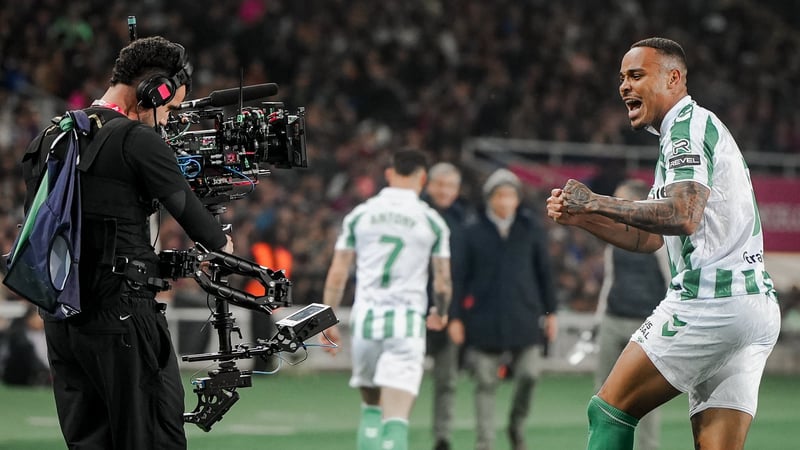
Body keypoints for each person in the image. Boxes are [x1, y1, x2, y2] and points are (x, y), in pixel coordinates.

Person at [546, 37, 780, 450]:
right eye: (622, 77)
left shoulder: (687, 128)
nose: (624, 86)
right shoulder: (689, 131)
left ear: (673, 79)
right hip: (752, 306)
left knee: (608, 410)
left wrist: (597, 200)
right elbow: (650, 237)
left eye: (636, 75)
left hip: (710, 302)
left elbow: (682, 215)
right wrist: (583, 217)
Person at [26, 36, 233, 450]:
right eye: (168, 109)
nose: (166, 121)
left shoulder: (50, 136)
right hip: (122, 315)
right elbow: (206, 233)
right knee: (152, 436)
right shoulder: (136, 140)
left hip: (62, 319)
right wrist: (222, 241)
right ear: (153, 91)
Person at [321, 149, 451, 450]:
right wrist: (441, 311)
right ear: (423, 178)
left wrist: (327, 320)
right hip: (406, 324)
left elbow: (338, 272)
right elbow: (443, 280)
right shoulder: (431, 221)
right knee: (396, 417)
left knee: (371, 408)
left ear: (390, 174)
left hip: (366, 322)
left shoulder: (360, 215)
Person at [449, 168, 557, 450]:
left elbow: (545, 273)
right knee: (485, 384)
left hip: (524, 315)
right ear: (489, 198)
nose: (506, 200)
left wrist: (551, 313)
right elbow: (459, 278)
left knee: (530, 375)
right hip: (484, 319)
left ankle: (516, 426)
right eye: (500, 195)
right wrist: (455, 317)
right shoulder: (471, 231)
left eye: (510, 195)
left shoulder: (531, 229)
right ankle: (485, 442)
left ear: (517, 199)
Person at [593, 179, 669, 450]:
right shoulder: (614, 241)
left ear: (638, 203)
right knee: (603, 392)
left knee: (645, 395)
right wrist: (599, 318)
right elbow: (609, 281)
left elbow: (671, 282)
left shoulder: (661, 240)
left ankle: (648, 447)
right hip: (613, 319)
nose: (614, 203)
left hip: (645, 324)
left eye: (620, 198)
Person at [421, 162, 472, 450]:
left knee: (447, 381)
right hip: (415, 311)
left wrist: (455, 316)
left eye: (451, 186)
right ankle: (393, 430)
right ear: (429, 185)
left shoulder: (461, 221)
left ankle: (442, 437)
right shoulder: (416, 214)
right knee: (402, 377)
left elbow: (461, 275)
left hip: (448, 313)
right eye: (440, 184)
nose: (445, 191)